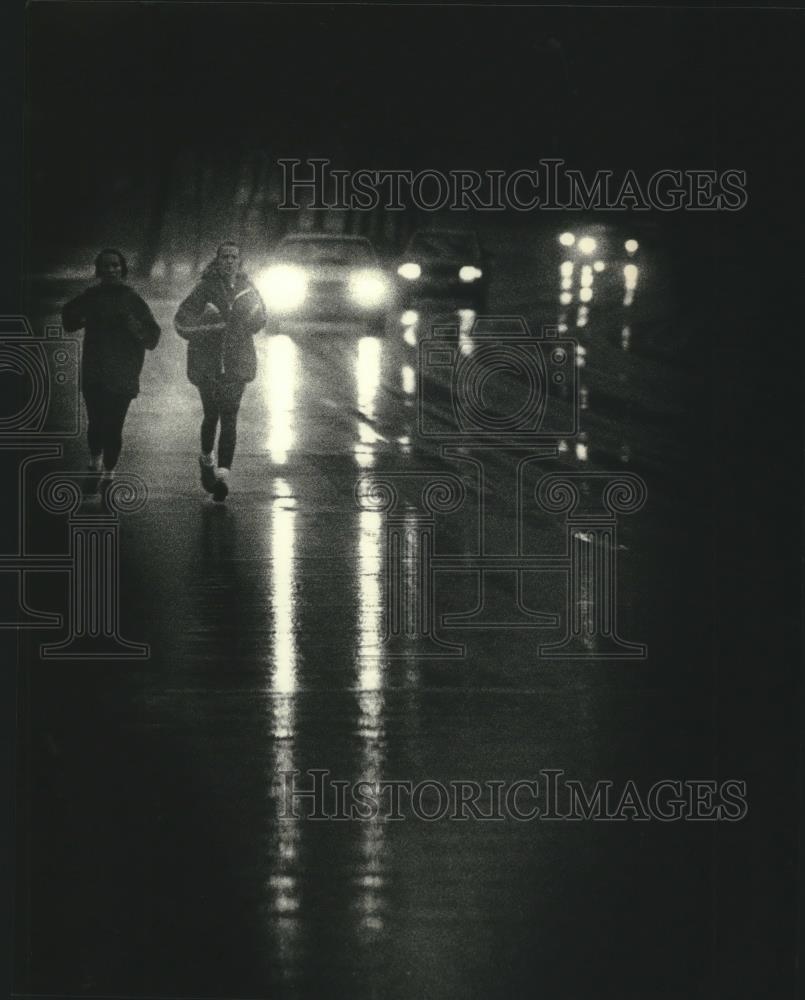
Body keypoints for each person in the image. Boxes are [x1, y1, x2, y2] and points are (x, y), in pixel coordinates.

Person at [174, 241, 266, 502]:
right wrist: (207, 323)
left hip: (238, 362)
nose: (229, 261)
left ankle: (223, 476)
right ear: (217, 260)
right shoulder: (205, 288)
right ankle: (206, 460)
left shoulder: (248, 289)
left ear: (240, 261)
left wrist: (251, 317)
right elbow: (182, 320)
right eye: (224, 256)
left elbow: (261, 318)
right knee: (212, 414)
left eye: (234, 257)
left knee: (230, 414)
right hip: (208, 363)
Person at [61, 248, 161, 483]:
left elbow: (152, 335)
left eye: (115, 265)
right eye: (106, 266)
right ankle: (96, 458)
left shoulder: (132, 298)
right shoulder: (91, 296)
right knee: (96, 421)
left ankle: (109, 469)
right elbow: (69, 316)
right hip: (95, 370)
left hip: (123, 372)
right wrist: (83, 319)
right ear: (99, 270)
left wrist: (132, 326)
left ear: (122, 269)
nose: (111, 270)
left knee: (114, 424)